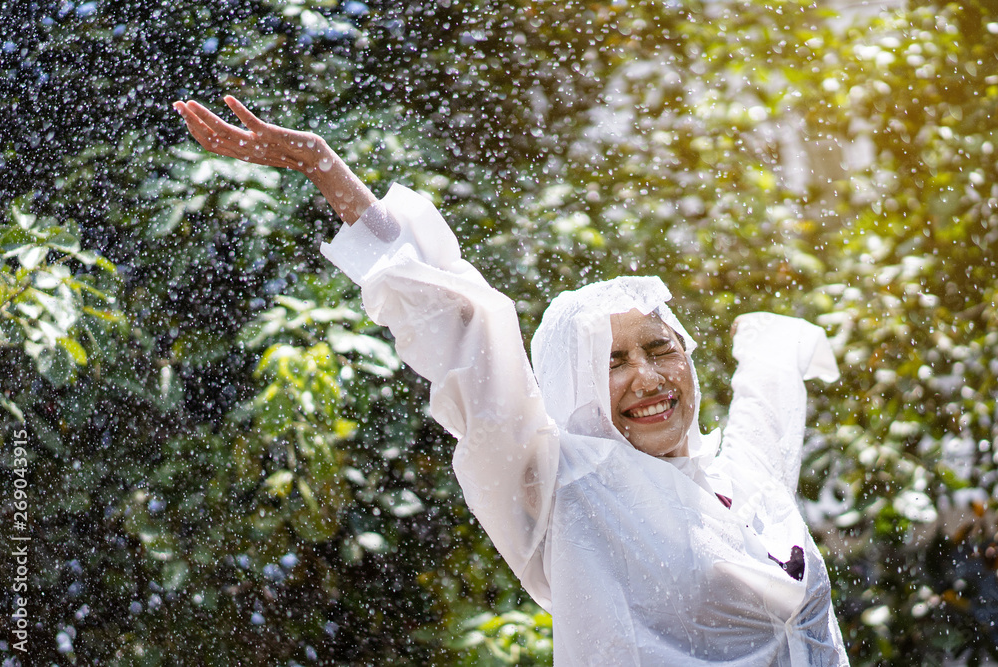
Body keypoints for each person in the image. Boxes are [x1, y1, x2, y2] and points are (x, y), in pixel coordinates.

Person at [173, 96, 850, 665]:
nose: (647, 376)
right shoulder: (565, 488)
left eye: (659, 348)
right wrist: (333, 175)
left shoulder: (746, 482)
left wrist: (771, 341)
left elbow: (769, 394)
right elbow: (470, 327)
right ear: (574, 385)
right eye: (611, 362)